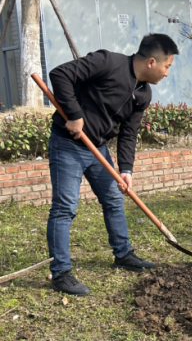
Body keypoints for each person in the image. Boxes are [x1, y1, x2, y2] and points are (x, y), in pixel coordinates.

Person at [47, 33, 179, 296]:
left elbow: (129, 133)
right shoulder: (108, 62)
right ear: (151, 62)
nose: (167, 73)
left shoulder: (143, 93)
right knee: (65, 208)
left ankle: (123, 254)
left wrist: (126, 169)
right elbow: (60, 74)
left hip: (98, 148)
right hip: (68, 144)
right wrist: (74, 115)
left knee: (114, 200)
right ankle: (60, 272)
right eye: (167, 66)